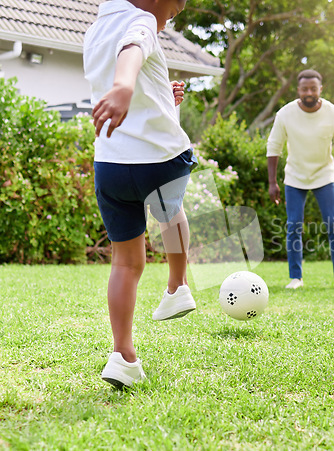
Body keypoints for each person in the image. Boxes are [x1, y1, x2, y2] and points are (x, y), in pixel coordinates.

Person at [83, 0, 197, 388]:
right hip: (158, 161)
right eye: (172, 12)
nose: (166, 23)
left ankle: (122, 355)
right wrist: (123, 87)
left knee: (125, 264)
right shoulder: (142, 20)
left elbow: (130, 66)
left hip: (111, 165)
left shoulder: (96, 29)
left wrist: (162, 96)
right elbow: (132, 50)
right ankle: (177, 285)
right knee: (170, 206)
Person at [267, 69, 334, 291]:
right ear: (298, 90)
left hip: (324, 175)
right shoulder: (285, 114)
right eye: (304, 89)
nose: (309, 92)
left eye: (313, 89)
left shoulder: (333, 113)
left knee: (333, 224)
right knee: (294, 226)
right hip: (295, 177)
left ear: (320, 90)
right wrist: (272, 182)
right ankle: (296, 278)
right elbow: (274, 147)